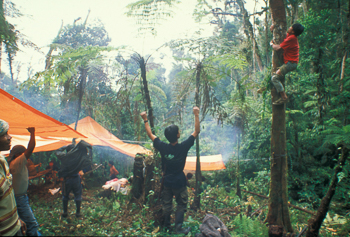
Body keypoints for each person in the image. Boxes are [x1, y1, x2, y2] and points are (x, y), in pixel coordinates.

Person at [140, 106, 200, 234]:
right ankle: (178, 228)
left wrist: (145, 119)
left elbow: (150, 134)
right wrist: (196, 114)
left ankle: (167, 226)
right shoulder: (183, 146)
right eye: (178, 131)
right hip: (179, 181)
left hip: (167, 181)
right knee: (181, 203)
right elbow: (196, 131)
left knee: (167, 204)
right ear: (177, 135)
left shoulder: (162, 146)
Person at [8, 127, 41, 236]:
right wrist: (32, 133)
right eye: (23, 154)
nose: (27, 157)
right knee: (32, 224)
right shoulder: (18, 162)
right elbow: (30, 148)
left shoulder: (13, 164)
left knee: (19, 223)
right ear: (18, 155)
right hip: (20, 198)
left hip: (15, 197)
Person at [0, 119, 26, 236]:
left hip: (14, 227)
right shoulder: (17, 161)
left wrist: (17, 220)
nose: (9, 137)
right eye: (4, 134)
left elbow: (8, 196)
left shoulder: (3, 161)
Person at [269, 23, 304, 105]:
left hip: (290, 63)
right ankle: (282, 95)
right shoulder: (291, 36)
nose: (289, 27)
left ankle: (284, 97)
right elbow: (282, 37)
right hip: (291, 62)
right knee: (277, 75)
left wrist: (271, 44)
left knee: (274, 78)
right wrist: (273, 30)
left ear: (293, 31)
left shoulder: (292, 38)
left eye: (291, 27)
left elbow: (277, 48)